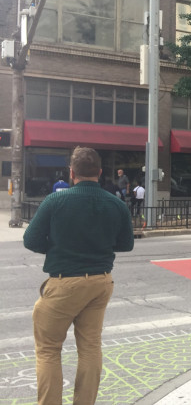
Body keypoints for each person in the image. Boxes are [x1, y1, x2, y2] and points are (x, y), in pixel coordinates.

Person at [23, 146, 134, 405]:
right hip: (100, 281)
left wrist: (56, 246)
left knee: (49, 350)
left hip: (64, 282)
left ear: (71, 173)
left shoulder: (55, 201)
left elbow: (31, 239)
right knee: (90, 347)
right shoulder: (116, 204)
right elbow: (126, 244)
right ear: (100, 172)